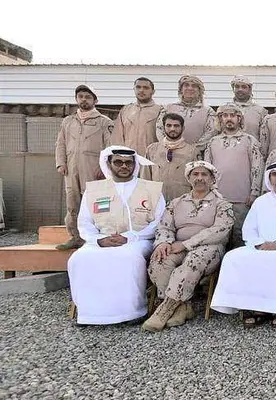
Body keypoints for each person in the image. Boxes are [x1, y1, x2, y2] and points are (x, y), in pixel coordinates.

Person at [68, 146, 165, 325]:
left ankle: (132, 312)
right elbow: (84, 223)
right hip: (101, 239)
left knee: (128, 258)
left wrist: (130, 237)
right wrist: (99, 240)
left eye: (128, 162)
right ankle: (89, 313)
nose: (124, 166)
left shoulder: (151, 190)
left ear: (135, 165)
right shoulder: (94, 190)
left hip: (138, 239)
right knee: (79, 259)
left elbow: (159, 223)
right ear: (109, 164)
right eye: (118, 162)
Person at [211, 162, 276, 328]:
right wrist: (259, 244)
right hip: (260, 246)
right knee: (233, 257)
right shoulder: (261, 201)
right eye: (274, 175)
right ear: (269, 178)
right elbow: (249, 229)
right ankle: (253, 308)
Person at [144, 161, 234, 331]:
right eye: (195, 174)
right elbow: (164, 226)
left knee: (192, 262)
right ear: (189, 178)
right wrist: (164, 242)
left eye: (204, 174)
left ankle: (164, 310)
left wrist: (186, 244)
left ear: (212, 178)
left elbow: (220, 230)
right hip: (176, 245)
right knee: (159, 260)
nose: (199, 178)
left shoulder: (221, 204)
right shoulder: (177, 202)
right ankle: (182, 307)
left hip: (209, 248)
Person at [55, 84, 114, 250]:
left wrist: (105, 168)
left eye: (88, 97)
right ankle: (75, 237)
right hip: (71, 167)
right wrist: (61, 163)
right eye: (80, 96)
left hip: (93, 168)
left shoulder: (104, 122)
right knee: (72, 202)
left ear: (95, 100)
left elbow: (110, 147)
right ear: (76, 99)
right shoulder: (68, 121)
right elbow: (61, 143)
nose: (84, 100)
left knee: (97, 203)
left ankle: (98, 238)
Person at [204, 105, 263, 246]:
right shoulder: (213, 142)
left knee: (240, 236)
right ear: (220, 119)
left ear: (239, 118)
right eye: (225, 115)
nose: (229, 119)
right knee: (218, 237)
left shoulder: (249, 141)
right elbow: (207, 169)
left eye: (232, 115)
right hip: (218, 198)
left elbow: (257, 167)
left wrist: (254, 192)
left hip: (242, 199)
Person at [156, 75, 216, 156]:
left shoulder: (208, 111)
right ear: (181, 90)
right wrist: (169, 145)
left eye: (194, 86)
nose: (190, 88)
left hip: (196, 155)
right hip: (169, 153)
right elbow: (159, 128)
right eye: (186, 85)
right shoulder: (168, 108)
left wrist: (192, 149)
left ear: (199, 90)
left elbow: (211, 132)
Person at [145, 113, 197, 202]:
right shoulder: (152, 149)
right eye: (169, 125)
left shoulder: (192, 151)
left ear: (182, 128)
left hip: (182, 200)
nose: (172, 129)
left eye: (176, 126)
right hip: (156, 200)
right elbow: (145, 177)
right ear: (163, 127)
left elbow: (196, 179)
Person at [111, 77, 163, 156]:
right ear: (134, 89)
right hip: (128, 160)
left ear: (153, 91)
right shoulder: (125, 110)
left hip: (151, 159)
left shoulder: (160, 111)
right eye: (138, 87)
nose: (141, 90)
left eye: (146, 88)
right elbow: (117, 138)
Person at [225, 75, 268, 140]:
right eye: (237, 87)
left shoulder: (260, 111)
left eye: (244, 87)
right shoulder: (225, 109)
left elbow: (264, 137)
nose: (240, 89)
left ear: (250, 89)